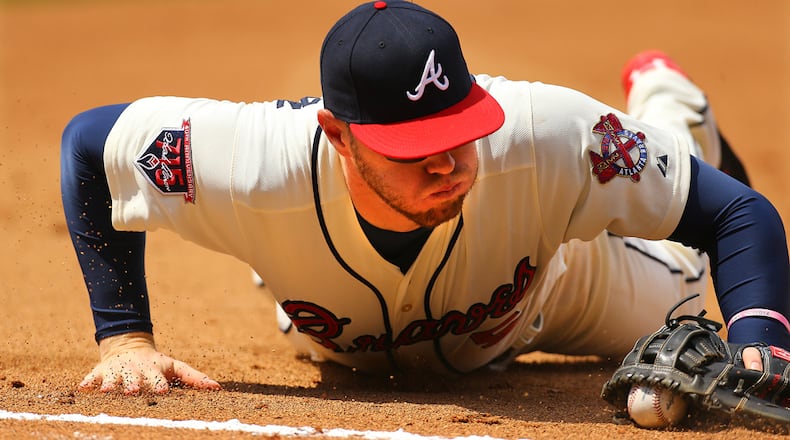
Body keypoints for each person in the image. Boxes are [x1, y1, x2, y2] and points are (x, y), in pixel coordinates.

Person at [61, 1, 789, 395]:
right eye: (413, 149)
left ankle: (669, 101)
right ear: (339, 137)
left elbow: (737, 213)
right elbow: (89, 144)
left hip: (563, 291)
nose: (448, 165)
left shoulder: (546, 134)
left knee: (691, 299)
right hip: (336, 327)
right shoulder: (249, 162)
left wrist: (761, 343)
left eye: (460, 132)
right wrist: (125, 337)